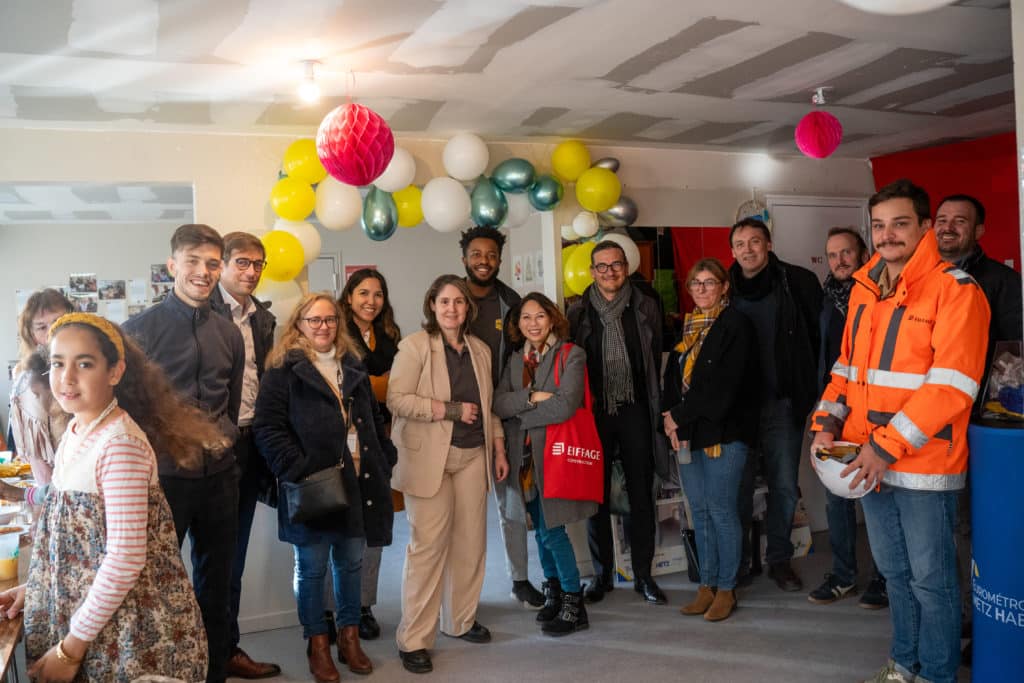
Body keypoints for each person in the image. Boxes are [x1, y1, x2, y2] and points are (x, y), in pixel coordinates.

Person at [811, 179, 990, 683]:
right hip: (867, 461)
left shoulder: (957, 291)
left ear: (926, 227)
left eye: (900, 224)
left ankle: (935, 673)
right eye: (880, 225)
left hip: (922, 465)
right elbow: (845, 369)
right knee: (894, 575)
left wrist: (883, 448)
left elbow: (951, 388)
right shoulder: (865, 289)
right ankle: (903, 664)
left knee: (932, 581)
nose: (888, 235)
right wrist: (825, 427)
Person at [0, 313, 216, 681]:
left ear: (114, 372)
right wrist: (37, 586)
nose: (66, 378)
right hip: (91, 622)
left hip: (129, 636)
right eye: (57, 363)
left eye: (84, 364)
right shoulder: (76, 430)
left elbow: (124, 559)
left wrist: (70, 651)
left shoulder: (120, 444)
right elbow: (74, 538)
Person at [122, 223, 245, 683]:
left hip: (220, 480)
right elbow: (128, 411)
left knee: (216, 590)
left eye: (212, 263)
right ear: (172, 265)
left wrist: (225, 440)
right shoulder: (137, 331)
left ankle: (213, 674)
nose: (203, 271)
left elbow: (230, 406)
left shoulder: (229, 334)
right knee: (157, 589)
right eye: (192, 261)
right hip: (164, 481)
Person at [254, 293, 395, 683]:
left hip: (358, 482)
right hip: (312, 485)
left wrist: (385, 457)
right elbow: (267, 427)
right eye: (314, 320)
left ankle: (349, 638)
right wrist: (295, 469)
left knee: (351, 562)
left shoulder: (352, 364)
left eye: (330, 320)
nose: (323, 327)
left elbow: (372, 415)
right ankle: (318, 643)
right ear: (298, 324)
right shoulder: (283, 369)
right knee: (312, 569)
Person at [387, 274, 509, 675]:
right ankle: (414, 639)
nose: (452, 309)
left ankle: (460, 620)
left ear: (467, 308)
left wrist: (499, 445)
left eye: (458, 302)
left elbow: (488, 404)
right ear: (432, 306)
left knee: (471, 544)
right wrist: (449, 410)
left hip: (474, 455)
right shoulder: (415, 346)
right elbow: (397, 399)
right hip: (430, 459)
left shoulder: (479, 349)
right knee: (427, 549)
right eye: (444, 302)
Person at [934, 194, 1022, 659]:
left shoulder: (1002, 282)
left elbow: (1013, 357)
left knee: (968, 525)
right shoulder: (924, 277)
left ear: (980, 231)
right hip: (927, 427)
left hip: (978, 427)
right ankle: (949, 614)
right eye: (942, 220)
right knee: (939, 525)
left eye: (960, 222)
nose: (948, 228)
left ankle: (974, 619)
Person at [568, 240, 671, 606]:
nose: (609, 272)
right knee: (595, 496)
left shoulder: (645, 304)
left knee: (640, 495)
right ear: (592, 271)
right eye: (602, 266)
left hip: (635, 410)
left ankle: (643, 575)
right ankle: (601, 575)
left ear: (625, 267)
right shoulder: (578, 311)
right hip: (594, 415)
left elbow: (654, 354)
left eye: (616, 265)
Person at [729, 217, 822, 592]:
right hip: (738, 409)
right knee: (738, 486)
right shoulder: (723, 287)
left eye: (755, 241)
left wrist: (816, 392)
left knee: (783, 485)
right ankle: (737, 563)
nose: (747, 249)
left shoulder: (797, 282)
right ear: (732, 250)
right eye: (740, 244)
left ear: (768, 244)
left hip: (783, 403)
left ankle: (779, 560)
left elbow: (821, 338)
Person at [494, 292, 595, 636]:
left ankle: (573, 602)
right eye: (526, 317)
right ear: (518, 324)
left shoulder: (571, 355)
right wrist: (533, 398)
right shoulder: (513, 361)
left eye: (540, 316)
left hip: (553, 458)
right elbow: (499, 403)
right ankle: (553, 590)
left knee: (554, 531)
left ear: (552, 319)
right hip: (523, 461)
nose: (533, 323)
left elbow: (566, 406)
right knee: (539, 530)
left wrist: (521, 415)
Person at [662, 258, 758, 622]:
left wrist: (677, 416)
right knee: (699, 512)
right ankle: (706, 585)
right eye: (695, 283)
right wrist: (669, 421)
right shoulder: (687, 328)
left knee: (721, 510)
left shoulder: (735, 325)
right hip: (688, 435)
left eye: (709, 282)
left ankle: (727, 588)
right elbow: (674, 382)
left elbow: (724, 388)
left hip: (725, 433)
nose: (702, 289)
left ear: (724, 287)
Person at [209, 231, 281, 679]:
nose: (250, 272)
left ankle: (226, 650)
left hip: (253, 444)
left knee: (232, 557)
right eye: (242, 263)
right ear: (222, 265)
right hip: (211, 449)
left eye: (257, 264)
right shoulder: (202, 311)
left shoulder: (263, 318)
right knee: (207, 560)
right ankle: (201, 655)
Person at [460, 226, 541, 609]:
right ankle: (462, 592)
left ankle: (520, 580)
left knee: (511, 504)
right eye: (477, 254)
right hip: (460, 417)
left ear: (499, 259)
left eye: (491, 255)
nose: (483, 261)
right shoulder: (451, 298)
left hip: (504, 416)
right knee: (462, 509)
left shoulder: (512, 301)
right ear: (465, 257)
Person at [808, 227, 888, 610]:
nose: (839, 260)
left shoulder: (880, 294)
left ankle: (884, 578)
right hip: (836, 413)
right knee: (837, 499)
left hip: (874, 418)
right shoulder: (826, 297)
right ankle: (843, 577)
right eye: (833, 254)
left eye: (846, 253)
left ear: (863, 254)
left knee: (878, 497)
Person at [338, 268, 401, 641]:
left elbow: (397, 385)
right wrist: (381, 388)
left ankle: (364, 606)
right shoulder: (335, 333)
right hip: (342, 441)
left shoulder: (390, 337)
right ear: (349, 297)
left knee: (373, 527)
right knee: (341, 527)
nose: (371, 301)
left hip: (378, 439)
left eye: (378, 295)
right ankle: (335, 610)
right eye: (363, 293)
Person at [8, 288, 73, 484]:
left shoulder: (92, 364)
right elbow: (39, 459)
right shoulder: (29, 382)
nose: (52, 332)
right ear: (32, 334)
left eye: (58, 321)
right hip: (62, 488)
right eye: (41, 327)